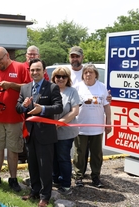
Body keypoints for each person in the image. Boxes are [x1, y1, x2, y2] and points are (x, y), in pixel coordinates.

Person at [16, 58, 63, 207]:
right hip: (30, 134)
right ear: (29, 72)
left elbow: (58, 107)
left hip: (46, 134)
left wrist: (42, 109)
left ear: (44, 71)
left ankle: (45, 196)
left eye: (38, 70)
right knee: (33, 165)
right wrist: (23, 106)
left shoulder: (52, 87)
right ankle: (34, 191)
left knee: (45, 167)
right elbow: (18, 107)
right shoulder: (25, 88)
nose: (35, 72)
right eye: (32, 70)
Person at [0, 46, 31, 192]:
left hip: (15, 117)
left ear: (7, 56)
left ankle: (13, 178)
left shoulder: (20, 68)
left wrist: (12, 85)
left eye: (0, 60)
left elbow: (29, 88)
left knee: (13, 149)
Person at [73, 64, 112, 188]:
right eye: (86, 73)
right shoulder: (77, 87)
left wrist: (108, 123)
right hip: (81, 127)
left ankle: (96, 176)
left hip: (97, 127)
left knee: (96, 154)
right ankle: (79, 176)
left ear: (96, 74)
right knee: (79, 153)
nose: (88, 75)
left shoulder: (101, 87)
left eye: (91, 72)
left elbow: (106, 106)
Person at [51, 66, 80, 195]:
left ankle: (66, 185)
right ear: (54, 78)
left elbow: (75, 111)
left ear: (68, 78)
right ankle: (56, 179)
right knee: (53, 158)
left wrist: (60, 122)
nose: (61, 79)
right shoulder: (50, 90)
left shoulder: (72, 91)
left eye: (64, 76)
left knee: (63, 158)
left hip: (66, 133)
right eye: (58, 76)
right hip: (50, 132)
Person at [19, 45, 49, 164]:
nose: (31, 56)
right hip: (23, 104)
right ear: (26, 55)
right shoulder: (21, 67)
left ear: (38, 56)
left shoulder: (41, 68)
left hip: (37, 106)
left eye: (34, 54)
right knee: (23, 133)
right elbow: (19, 86)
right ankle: (22, 157)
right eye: (29, 54)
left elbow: (46, 85)